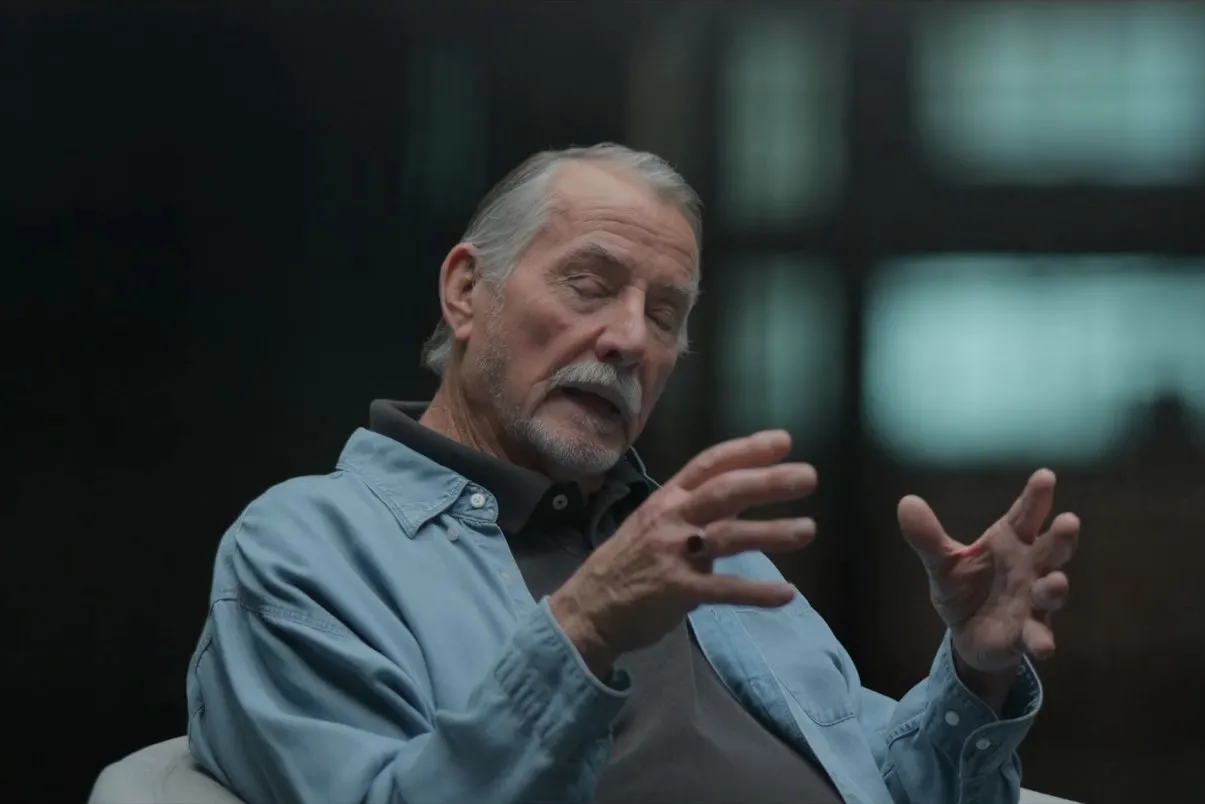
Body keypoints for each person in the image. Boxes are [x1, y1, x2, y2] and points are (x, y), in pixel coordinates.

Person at [186, 143, 1082, 804]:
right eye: (589, 284)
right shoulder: (308, 549)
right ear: (466, 291)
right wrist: (584, 627)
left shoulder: (707, 553)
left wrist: (975, 672)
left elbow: (886, 783)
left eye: (663, 313)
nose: (628, 340)